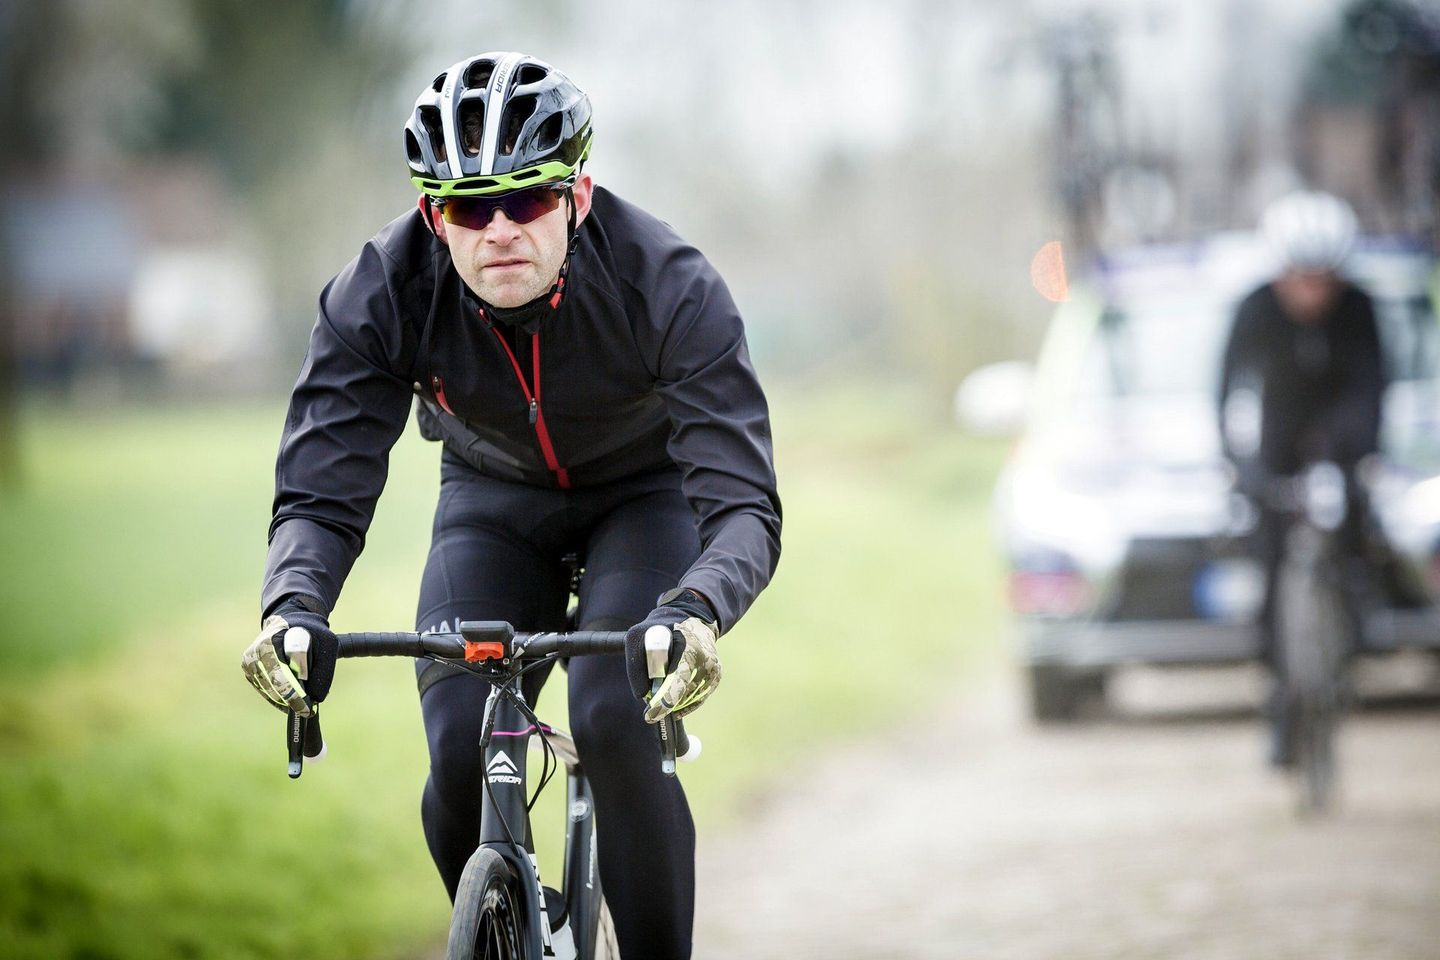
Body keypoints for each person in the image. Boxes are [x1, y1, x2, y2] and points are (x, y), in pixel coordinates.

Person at [240, 51, 781, 957]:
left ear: (577, 195)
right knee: (456, 748)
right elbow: (321, 490)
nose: (498, 230)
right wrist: (292, 606)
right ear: (431, 215)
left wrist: (696, 611)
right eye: (466, 207)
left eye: (526, 199)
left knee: (614, 716)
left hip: (643, 499)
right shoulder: (381, 291)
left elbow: (741, 506)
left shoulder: (669, 283)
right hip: (491, 500)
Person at [1218, 190, 1385, 767]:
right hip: (1278, 434)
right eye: (1300, 279)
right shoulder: (1255, 310)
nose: (1312, 294)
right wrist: (1237, 464)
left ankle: (1360, 626)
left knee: (1360, 520)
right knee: (1267, 552)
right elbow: (1227, 390)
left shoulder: (1359, 308)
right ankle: (1279, 696)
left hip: (1341, 430)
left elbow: (1373, 387)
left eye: (1324, 280)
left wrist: (1358, 455)